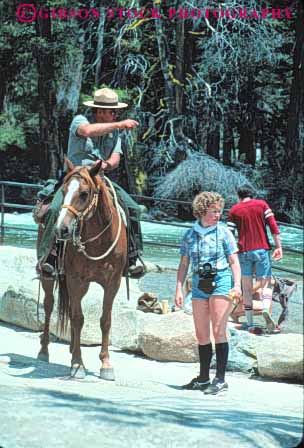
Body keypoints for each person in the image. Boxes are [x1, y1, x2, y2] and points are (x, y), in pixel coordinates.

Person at [37, 88, 145, 278]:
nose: (109, 115)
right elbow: (87, 131)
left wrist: (106, 164)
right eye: (105, 111)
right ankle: (49, 257)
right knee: (55, 209)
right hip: (76, 178)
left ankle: (132, 257)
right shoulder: (80, 121)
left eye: (112, 112)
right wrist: (119, 124)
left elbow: (116, 158)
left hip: (99, 179)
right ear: (97, 111)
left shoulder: (115, 134)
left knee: (132, 208)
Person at [175, 192, 241, 395]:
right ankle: (203, 378)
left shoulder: (224, 233)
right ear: (202, 211)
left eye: (220, 211)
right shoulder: (189, 234)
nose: (218, 215)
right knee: (201, 333)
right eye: (214, 211)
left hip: (220, 280)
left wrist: (237, 285)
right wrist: (178, 288)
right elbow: (184, 263)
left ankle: (220, 379)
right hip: (198, 283)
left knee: (219, 330)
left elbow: (234, 261)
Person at [227, 185, 283, 331]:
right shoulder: (262, 205)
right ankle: (265, 308)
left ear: (239, 196)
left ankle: (250, 323)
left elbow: (229, 236)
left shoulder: (234, 210)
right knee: (266, 284)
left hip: (243, 252)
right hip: (261, 250)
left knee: (246, 287)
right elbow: (273, 227)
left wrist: (229, 256)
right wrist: (278, 247)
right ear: (252, 194)